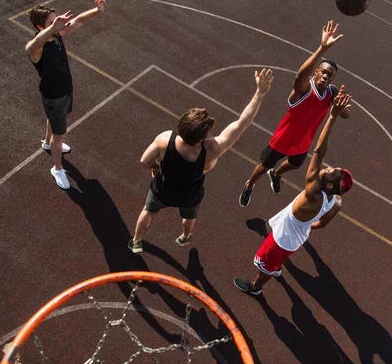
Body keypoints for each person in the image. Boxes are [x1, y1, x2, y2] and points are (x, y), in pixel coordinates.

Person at [129, 69, 275, 254]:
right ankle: (185, 237)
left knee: (148, 211)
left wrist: (155, 167)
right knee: (189, 217)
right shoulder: (212, 151)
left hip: (163, 189)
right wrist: (260, 92)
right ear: (202, 137)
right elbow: (242, 123)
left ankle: (136, 241)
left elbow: (144, 160)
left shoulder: (165, 140)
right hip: (190, 195)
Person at [234, 88, 353, 295]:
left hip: (283, 238)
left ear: (331, 185)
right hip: (297, 236)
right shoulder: (336, 201)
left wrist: (332, 117)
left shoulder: (312, 193)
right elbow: (322, 224)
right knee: (278, 260)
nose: (329, 168)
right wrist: (304, 224)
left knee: (265, 265)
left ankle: (256, 287)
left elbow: (318, 152)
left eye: (332, 172)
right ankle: (277, 266)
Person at [239, 20, 349, 207]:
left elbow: (344, 114)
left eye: (330, 75)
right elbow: (299, 77)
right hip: (283, 139)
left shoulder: (331, 92)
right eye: (323, 72)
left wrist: (340, 110)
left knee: (294, 165)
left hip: (303, 142)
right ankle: (249, 184)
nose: (325, 76)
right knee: (263, 165)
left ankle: (275, 174)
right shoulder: (305, 89)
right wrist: (322, 49)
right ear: (316, 72)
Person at [26, 0, 106, 189]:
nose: (60, 22)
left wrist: (97, 11)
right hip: (54, 96)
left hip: (64, 90)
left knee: (54, 121)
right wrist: (54, 27)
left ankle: (47, 142)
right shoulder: (37, 47)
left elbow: (78, 20)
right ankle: (57, 168)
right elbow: (33, 44)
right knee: (59, 136)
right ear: (40, 26)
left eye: (58, 18)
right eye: (53, 21)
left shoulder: (57, 34)